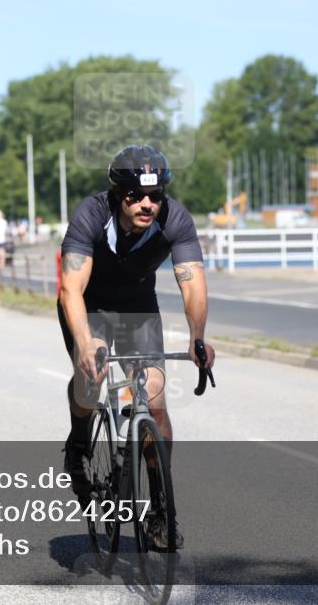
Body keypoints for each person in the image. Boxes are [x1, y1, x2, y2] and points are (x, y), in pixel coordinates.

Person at [57, 145, 215, 550]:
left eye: (156, 196)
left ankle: (162, 510)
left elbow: (192, 283)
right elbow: (70, 288)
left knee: (155, 399)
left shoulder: (175, 220)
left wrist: (198, 338)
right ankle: (78, 444)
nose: (148, 204)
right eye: (137, 196)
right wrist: (86, 339)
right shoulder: (91, 215)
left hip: (137, 306)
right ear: (117, 195)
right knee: (90, 384)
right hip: (87, 304)